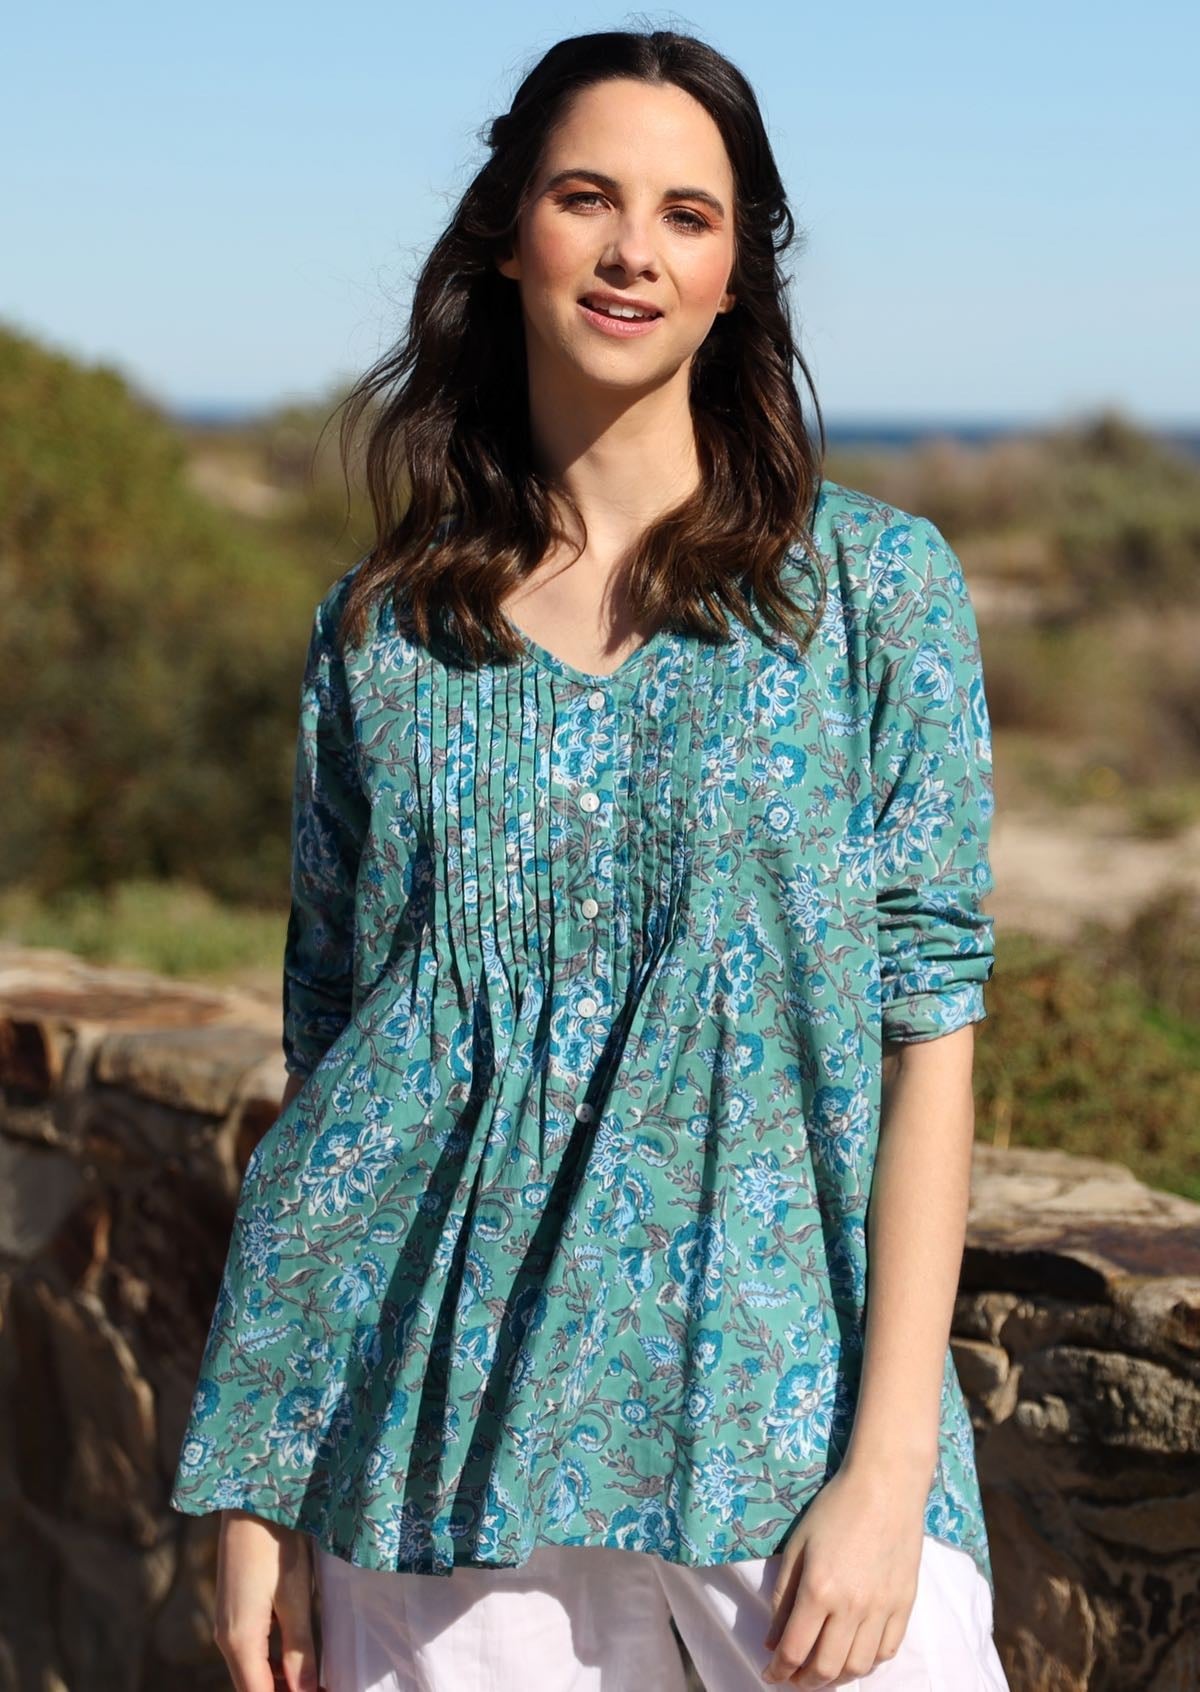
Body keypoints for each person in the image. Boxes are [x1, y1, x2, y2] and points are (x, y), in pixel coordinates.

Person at [170, 26, 1010, 1692]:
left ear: (735, 276)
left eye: (689, 216)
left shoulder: (870, 597)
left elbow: (935, 1039)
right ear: (508, 234)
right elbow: (333, 1078)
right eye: (587, 197)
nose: (635, 249)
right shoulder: (380, 634)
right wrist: (258, 1488)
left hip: (784, 1445)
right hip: (420, 1467)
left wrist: (892, 1463)